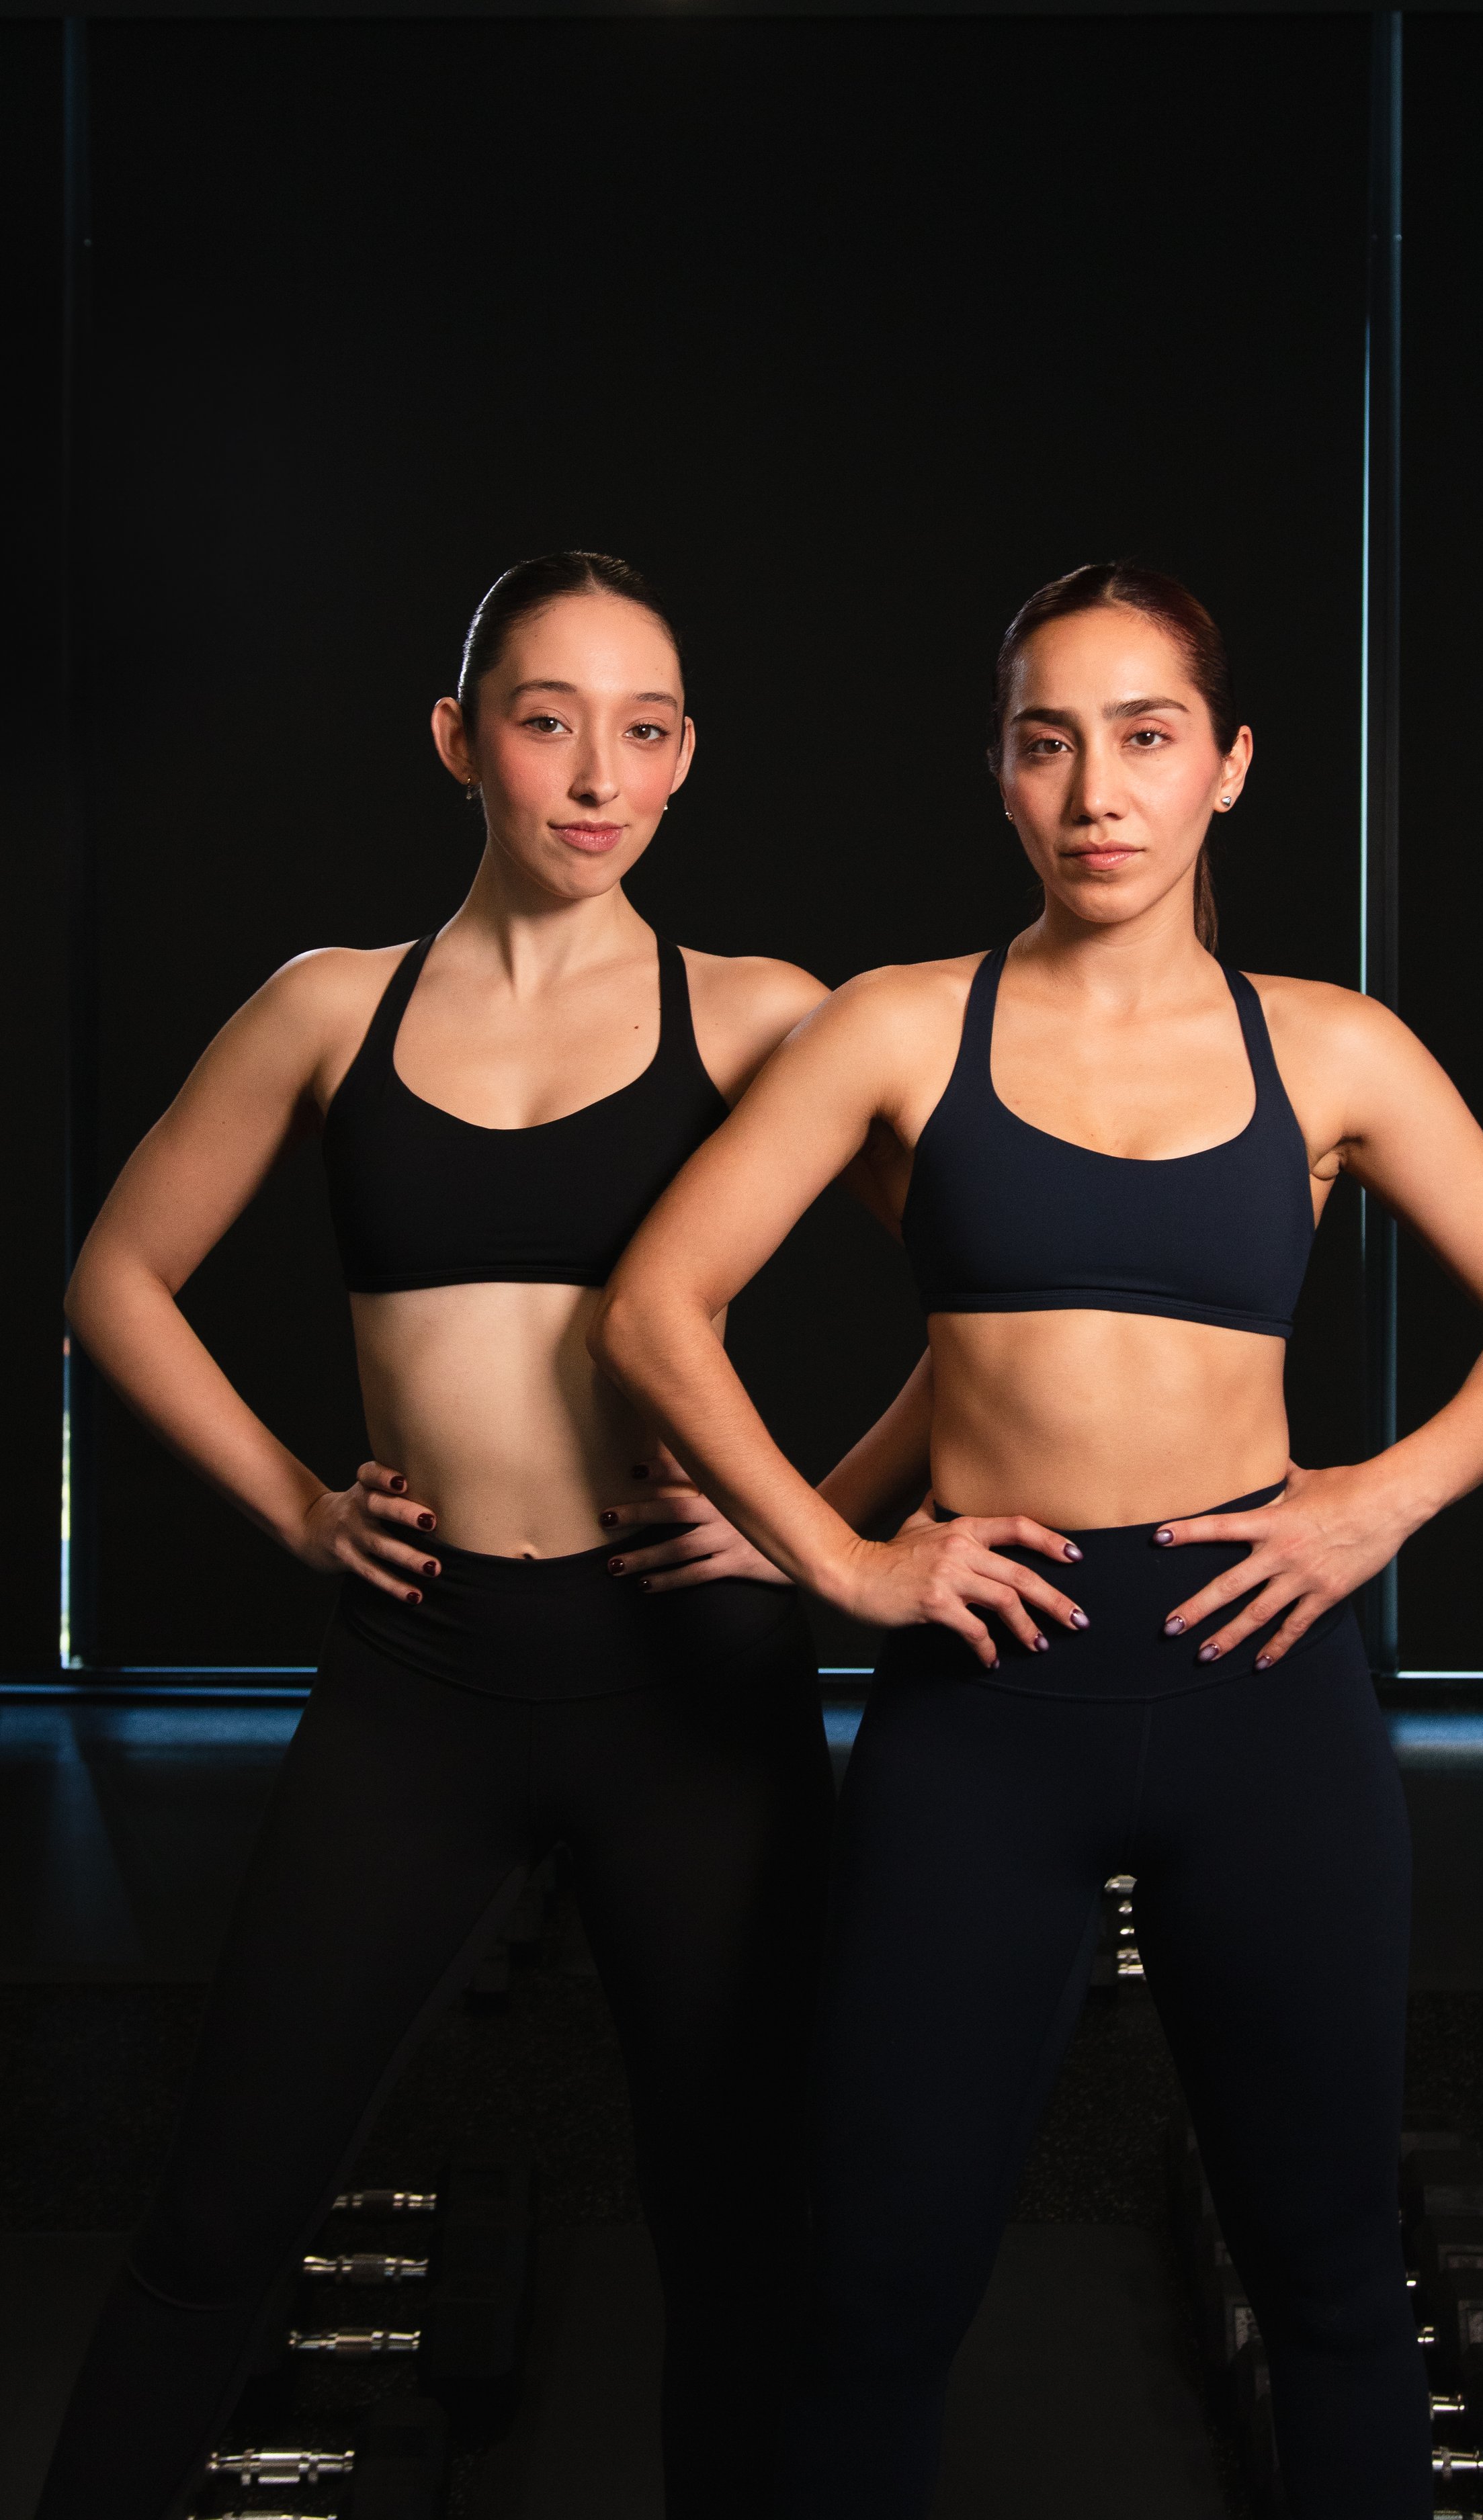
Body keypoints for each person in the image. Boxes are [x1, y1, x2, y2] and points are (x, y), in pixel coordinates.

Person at [591, 560, 1483, 2520]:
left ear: (1226, 766)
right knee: (880, 2290)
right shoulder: (896, 1029)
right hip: (985, 1701)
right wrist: (844, 1563)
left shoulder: (1333, 1048)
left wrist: (1374, 1503)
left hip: (1261, 1691)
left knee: (1327, 2279)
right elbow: (656, 1308)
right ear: (997, 772)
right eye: (1047, 743)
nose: (1096, 793)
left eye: (1145, 740)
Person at [44, 552, 843, 2520]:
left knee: (738, 2238)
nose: (594, 771)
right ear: (457, 738)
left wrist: (822, 1540)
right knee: (226, 2205)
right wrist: (302, 1510)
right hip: (424, 1682)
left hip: (690, 1696)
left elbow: (1017, 1301)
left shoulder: (760, 1019)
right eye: (545, 717)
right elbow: (118, 1280)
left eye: (641, 727)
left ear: (683, 763)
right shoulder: (329, 1008)